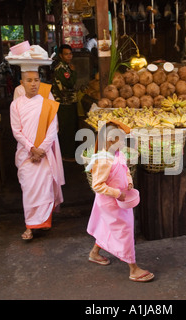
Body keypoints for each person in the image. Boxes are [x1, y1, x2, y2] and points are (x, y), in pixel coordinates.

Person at [85, 121, 154, 282]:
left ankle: (94, 253)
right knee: (125, 231)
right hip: (111, 203)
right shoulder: (103, 160)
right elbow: (97, 185)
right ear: (109, 141)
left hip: (121, 200)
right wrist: (117, 193)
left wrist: (129, 181)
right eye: (120, 140)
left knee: (108, 227)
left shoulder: (117, 154)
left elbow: (125, 169)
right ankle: (133, 268)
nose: (123, 143)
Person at [10, 67, 65, 240]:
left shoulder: (47, 103)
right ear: (22, 83)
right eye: (29, 80)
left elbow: (51, 130)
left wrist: (41, 149)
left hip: (45, 154)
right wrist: (31, 149)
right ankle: (30, 225)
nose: (33, 84)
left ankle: (44, 221)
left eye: (36, 80)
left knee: (45, 188)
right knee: (29, 189)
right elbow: (16, 131)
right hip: (26, 154)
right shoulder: (16, 104)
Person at [51, 44, 78, 160]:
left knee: (71, 128)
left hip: (69, 101)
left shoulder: (66, 66)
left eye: (70, 54)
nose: (69, 56)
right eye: (66, 54)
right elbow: (70, 83)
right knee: (66, 128)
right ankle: (65, 155)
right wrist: (74, 72)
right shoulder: (61, 68)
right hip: (64, 103)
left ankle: (70, 153)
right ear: (61, 55)